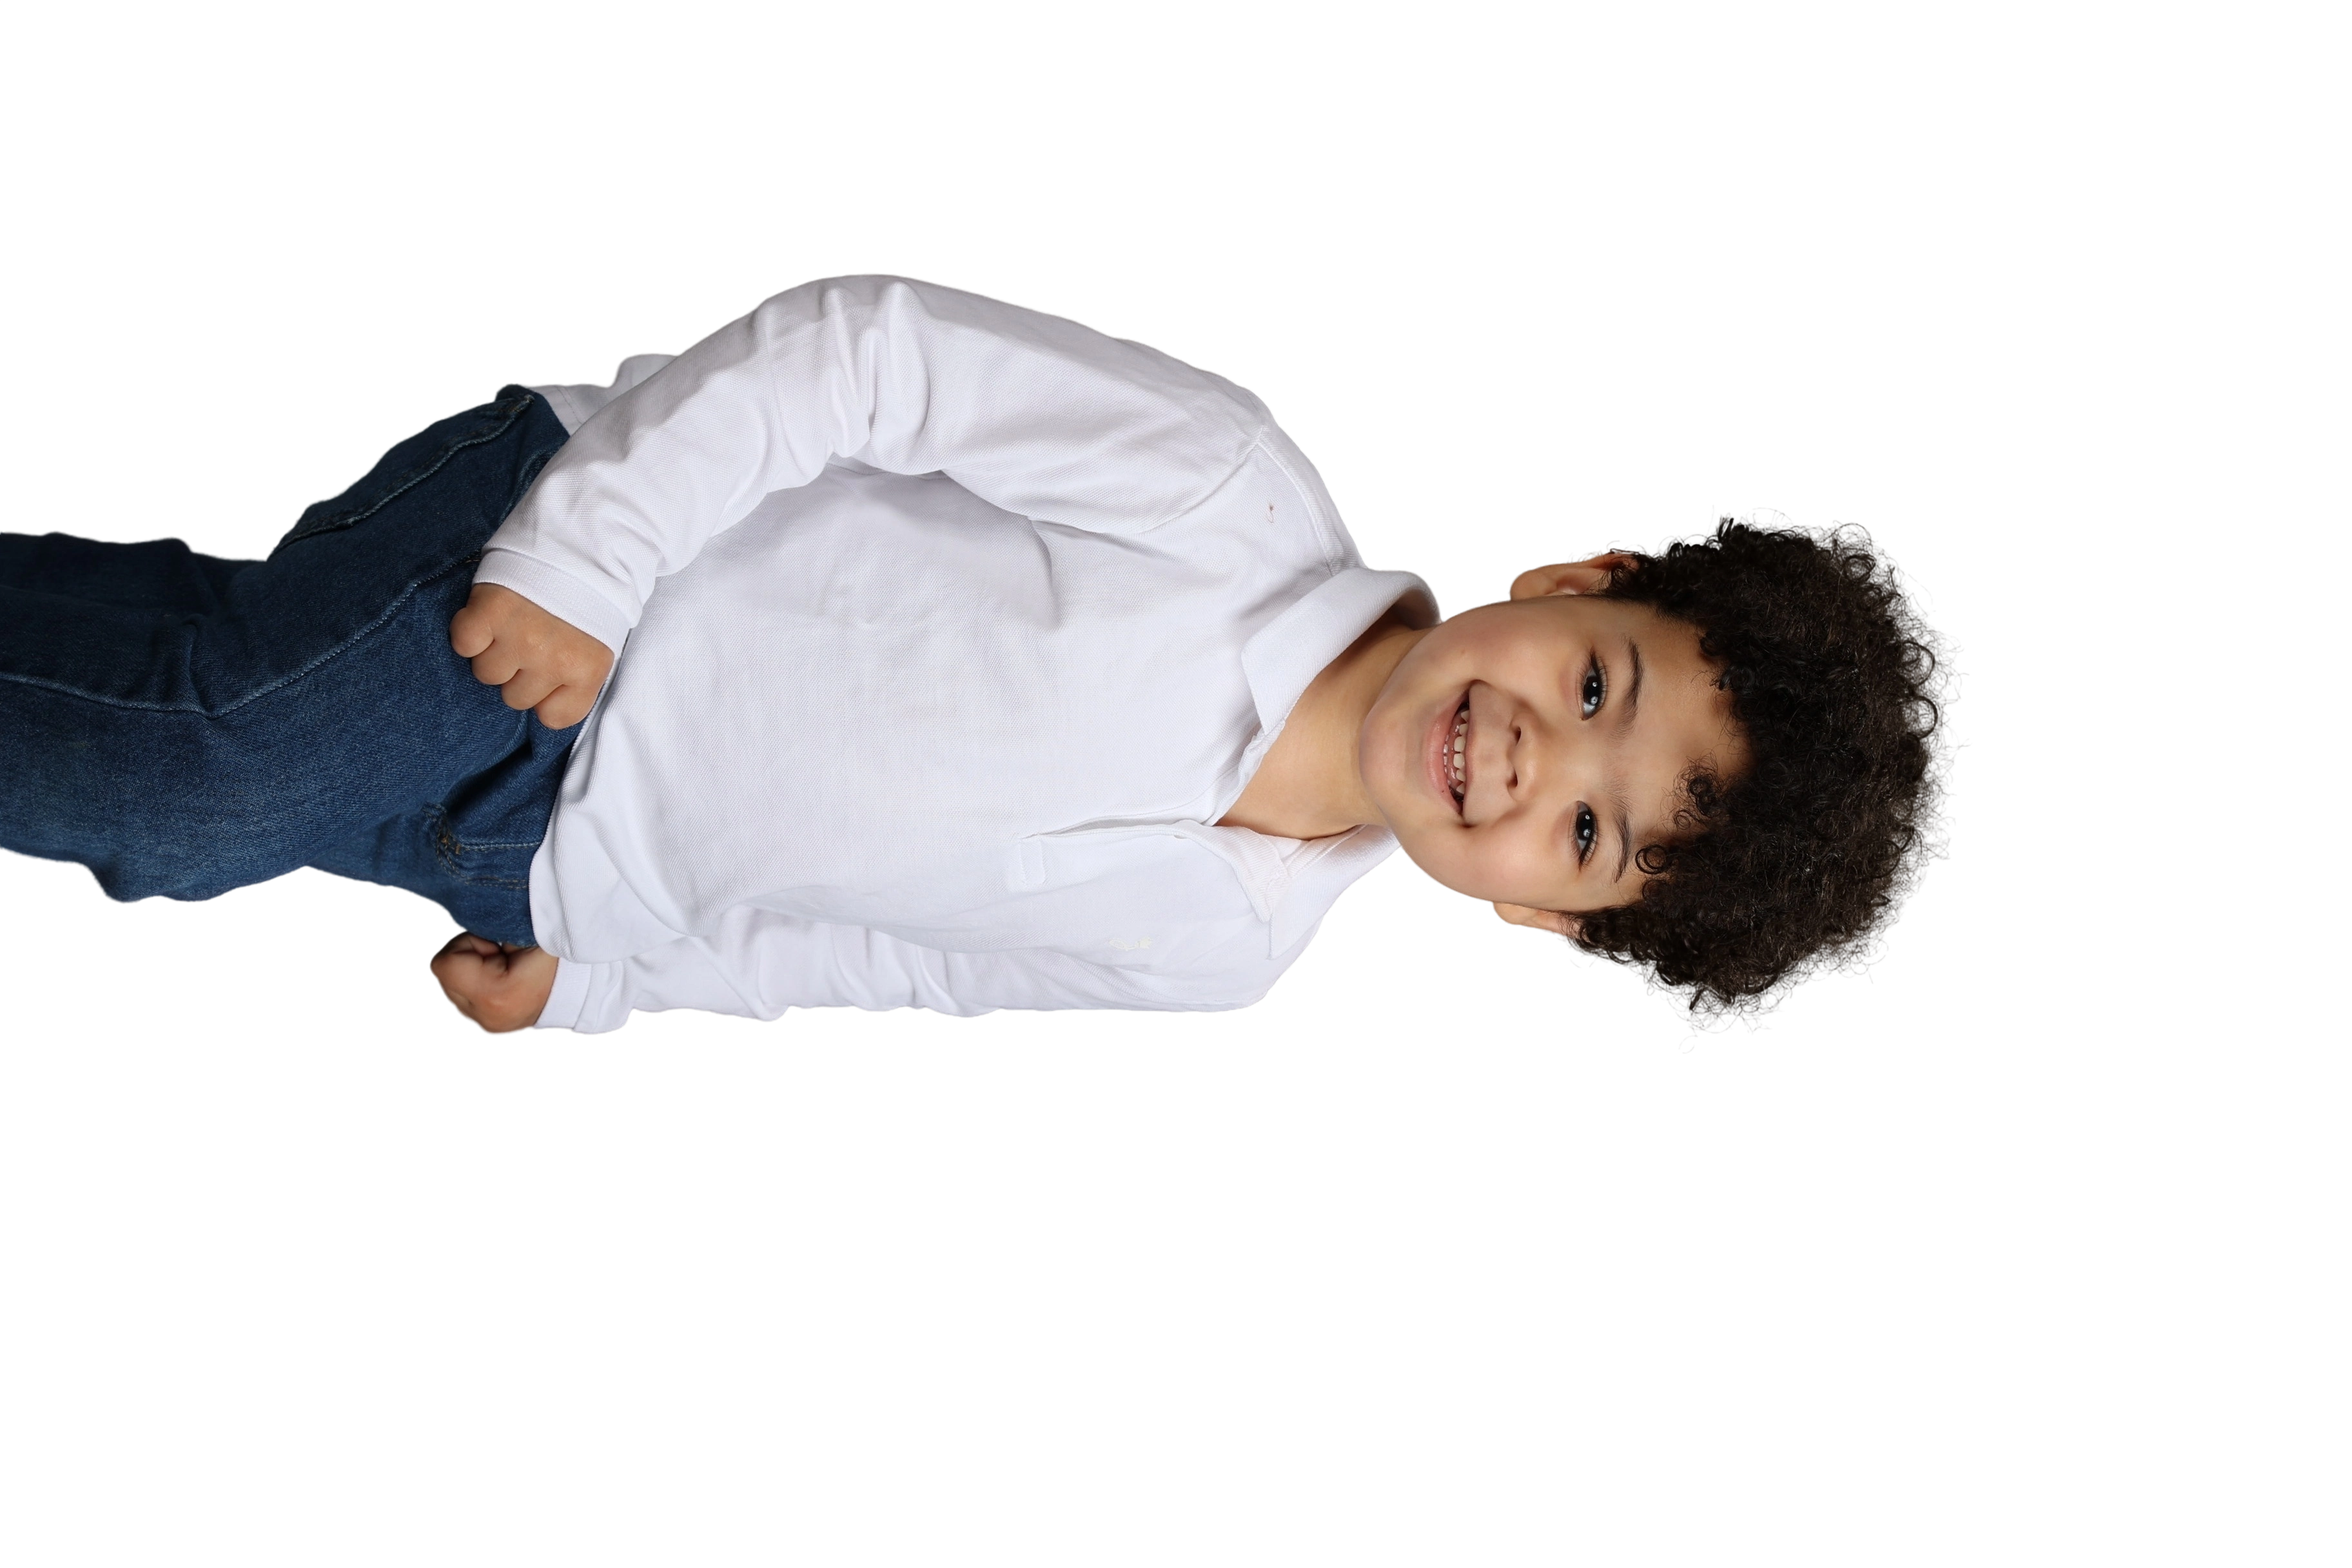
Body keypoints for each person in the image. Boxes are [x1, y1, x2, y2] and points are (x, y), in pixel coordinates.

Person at [0, 272, 1961, 1046]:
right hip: (557, 581)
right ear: (1588, 576)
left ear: (1547, 920)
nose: (1536, 764)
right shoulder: (1227, 493)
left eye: (1591, 839)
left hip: (542, 855)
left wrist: (611, 980)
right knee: (198, 788)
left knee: (181, 709)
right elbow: (871, 355)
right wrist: (593, 556)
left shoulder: (1222, 954)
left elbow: (892, 955)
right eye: (1600, 687)